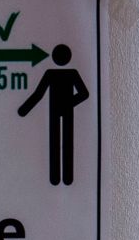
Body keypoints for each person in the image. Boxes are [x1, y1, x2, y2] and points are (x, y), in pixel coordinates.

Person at [17, 44, 89, 186]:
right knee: (56, 142)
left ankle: (65, 178)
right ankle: (57, 178)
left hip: (63, 111)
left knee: (65, 142)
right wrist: (24, 109)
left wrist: (69, 103)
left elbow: (84, 93)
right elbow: (39, 94)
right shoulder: (53, 73)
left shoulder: (68, 73)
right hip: (58, 112)